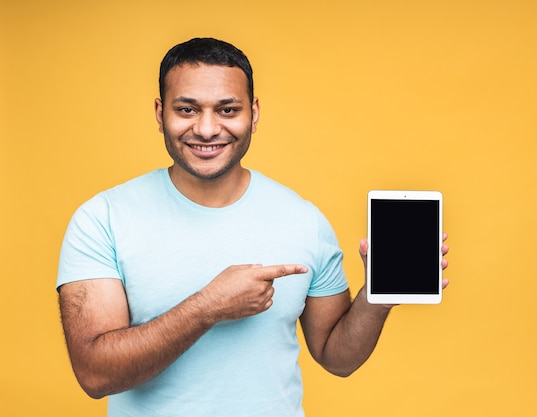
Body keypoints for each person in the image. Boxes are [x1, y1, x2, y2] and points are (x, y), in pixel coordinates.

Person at [57, 37, 449, 417]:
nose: (208, 129)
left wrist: (377, 297)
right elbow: (95, 374)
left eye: (228, 110)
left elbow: (336, 357)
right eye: (187, 110)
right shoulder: (102, 219)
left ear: (254, 114)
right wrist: (207, 308)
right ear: (160, 115)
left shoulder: (304, 221)